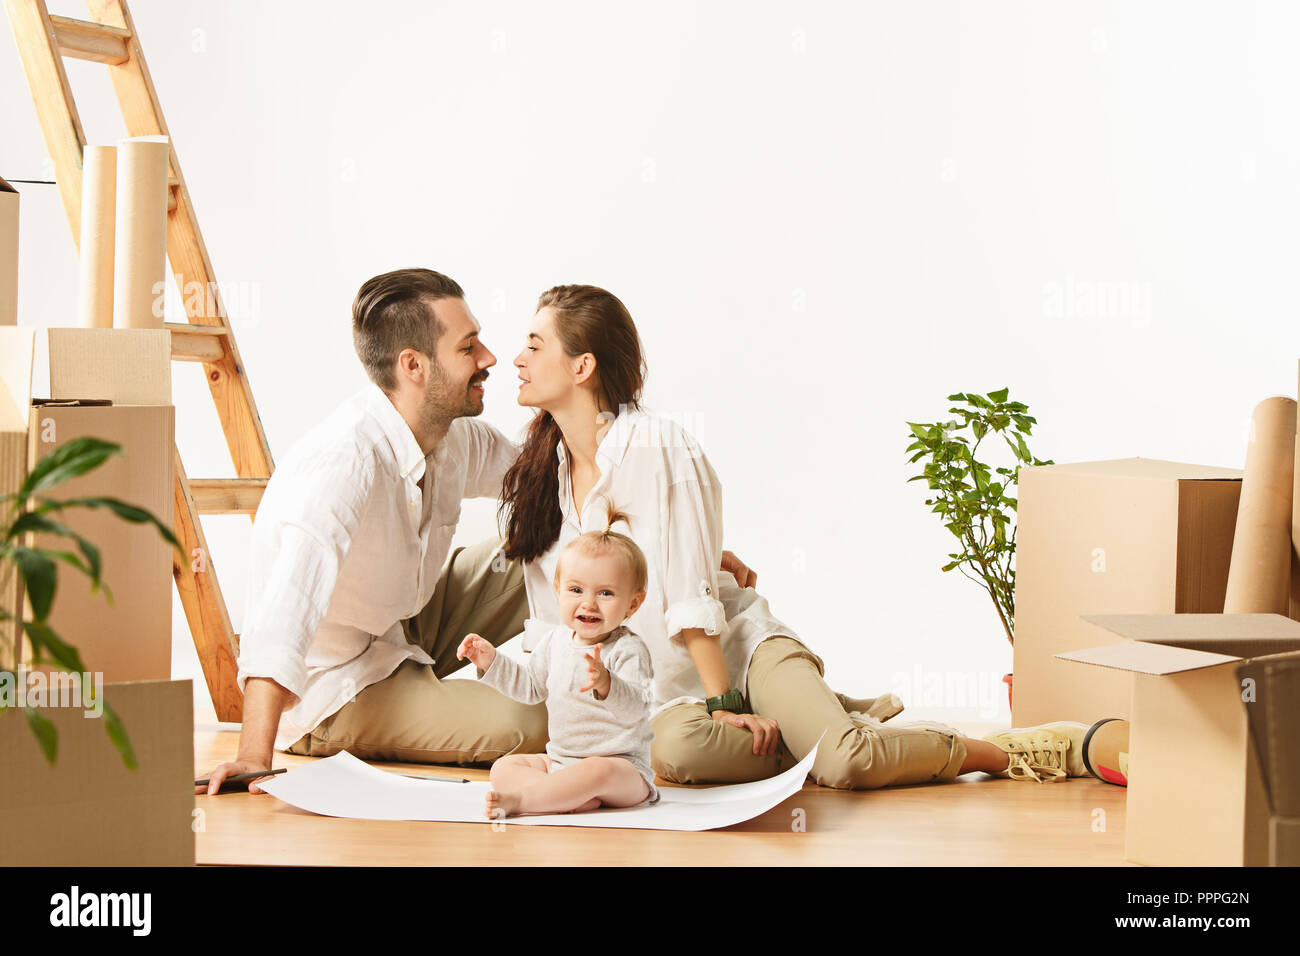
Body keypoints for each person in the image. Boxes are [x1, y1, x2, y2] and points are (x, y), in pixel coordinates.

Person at [498, 283, 1096, 789]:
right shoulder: (539, 475)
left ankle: (1007, 752)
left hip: (739, 656)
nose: (517, 359)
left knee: (844, 763)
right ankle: (828, 718)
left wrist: (726, 704)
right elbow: (558, 628)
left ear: (582, 366)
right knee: (670, 755)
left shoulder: (657, 448)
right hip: (664, 700)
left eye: (533, 345)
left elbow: (690, 601)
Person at [197, 268, 755, 795]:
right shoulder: (345, 463)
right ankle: (687, 727)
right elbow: (283, 613)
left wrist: (676, 538)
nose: (491, 358)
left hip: (407, 617)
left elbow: (557, 486)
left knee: (543, 549)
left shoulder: (453, 435)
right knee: (537, 718)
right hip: (340, 678)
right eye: (468, 348)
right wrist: (254, 753)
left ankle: (729, 689)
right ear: (413, 366)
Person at [457, 504, 658, 818]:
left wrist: (607, 684)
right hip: (561, 762)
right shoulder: (555, 641)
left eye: (605, 593)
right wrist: (490, 661)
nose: (588, 603)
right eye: (576, 590)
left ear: (633, 602)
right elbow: (530, 687)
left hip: (623, 770)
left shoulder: (628, 650)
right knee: (504, 767)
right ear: (558, 591)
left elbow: (638, 710)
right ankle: (566, 795)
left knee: (596, 772)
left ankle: (525, 801)